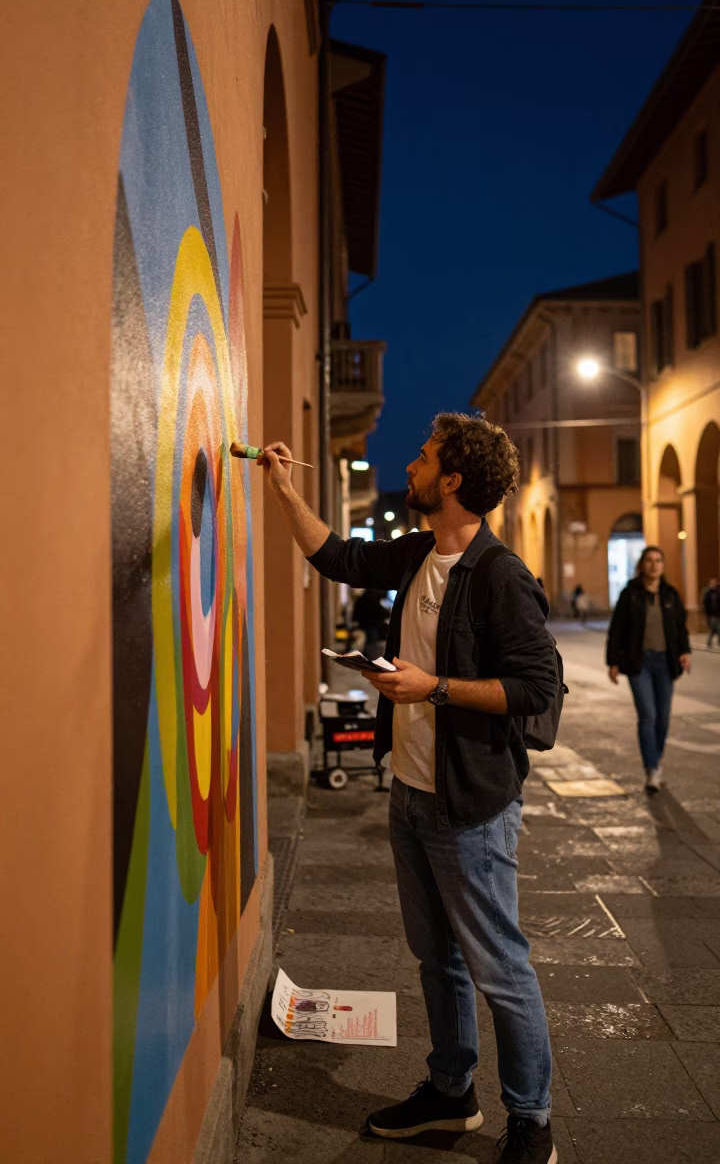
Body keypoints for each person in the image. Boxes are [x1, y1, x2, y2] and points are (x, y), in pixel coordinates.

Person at [262, 412, 558, 1164]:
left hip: (472, 806)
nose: (414, 465)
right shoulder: (419, 552)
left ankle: (532, 1121)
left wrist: (435, 689)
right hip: (412, 793)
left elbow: (538, 686)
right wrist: (282, 486)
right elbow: (339, 557)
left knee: (501, 967)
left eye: (426, 458)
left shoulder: (499, 575)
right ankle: (451, 1094)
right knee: (437, 960)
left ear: (453, 480)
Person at [606, 545, 691, 793]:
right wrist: (613, 662)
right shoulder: (630, 593)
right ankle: (651, 769)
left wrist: (685, 652)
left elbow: (680, 627)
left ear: (662, 566)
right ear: (642, 565)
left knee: (663, 719)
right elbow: (616, 630)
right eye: (650, 561)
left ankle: (655, 762)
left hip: (666, 662)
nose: (654, 565)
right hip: (638, 663)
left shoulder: (670, 594)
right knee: (648, 715)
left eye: (658, 561)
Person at [352, 588, 389, 661]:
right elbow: (380, 612)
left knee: (369, 642)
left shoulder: (364, 598)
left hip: (365, 624)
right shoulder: (371, 599)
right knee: (371, 643)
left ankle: (367, 658)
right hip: (371, 625)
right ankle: (370, 659)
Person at [702, 577, 720, 648]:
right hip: (711, 614)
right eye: (711, 583)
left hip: (718, 614)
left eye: (714, 583)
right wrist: (707, 613)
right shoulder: (708, 593)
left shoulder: (718, 592)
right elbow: (705, 603)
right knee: (713, 628)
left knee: (719, 628)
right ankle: (709, 642)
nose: (713, 584)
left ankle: (718, 642)